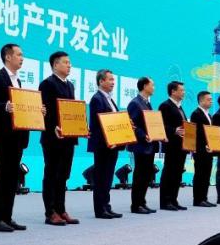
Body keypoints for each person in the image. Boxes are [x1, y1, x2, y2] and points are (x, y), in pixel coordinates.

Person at [0, 44, 44, 233]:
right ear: (8, 57)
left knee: (12, 178)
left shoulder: (18, 80)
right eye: (19, 54)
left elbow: (21, 107)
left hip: (18, 136)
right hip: (3, 135)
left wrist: (38, 111)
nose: (22, 58)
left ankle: (7, 217)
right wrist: (4, 106)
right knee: (2, 176)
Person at [39, 51, 79, 226]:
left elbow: (72, 111)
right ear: (55, 65)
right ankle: (50, 212)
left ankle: (61, 209)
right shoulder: (47, 84)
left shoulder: (70, 86)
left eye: (70, 62)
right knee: (52, 174)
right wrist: (53, 126)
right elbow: (43, 111)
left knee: (64, 175)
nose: (69, 65)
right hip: (52, 137)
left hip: (68, 137)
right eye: (66, 62)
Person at [87, 69, 124, 219]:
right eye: (110, 79)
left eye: (113, 80)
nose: (113, 82)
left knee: (108, 177)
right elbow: (99, 124)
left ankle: (106, 206)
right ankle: (100, 209)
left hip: (113, 144)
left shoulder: (109, 99)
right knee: (101, 177)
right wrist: (109, 140)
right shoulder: (97, 99)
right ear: (101, 81)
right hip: (103, 145)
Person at [127, 77, 159, 214]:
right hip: (140, 145)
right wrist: (143, 135)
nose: (154, 87)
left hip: (149, 145)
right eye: (152, 85)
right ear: (145, 86)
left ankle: (142, 202)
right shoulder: (135, 103)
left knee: (146, 174)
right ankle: (136, 205)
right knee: (140, 175)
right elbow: (132, 125)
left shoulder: (147, 103)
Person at [158, 81, 188, 211]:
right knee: (169, 173)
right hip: (171, 145)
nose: (183, 92)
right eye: (181, 90)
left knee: (178, 173)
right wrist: (174, 130)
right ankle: (165, 201)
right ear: (173, 91)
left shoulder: (180, 107)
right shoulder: (165, 106)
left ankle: (173, 199)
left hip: (181, 146)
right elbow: (161, 125)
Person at [190, 91, 216, 207]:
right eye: (208, 99)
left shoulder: (209, 115)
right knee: (200, 174)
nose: (211, 101)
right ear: (201, 101)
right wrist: (203, 145)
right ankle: (198, 199)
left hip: (209, 149)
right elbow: (196, 133)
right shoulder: (196, 114)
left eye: (211, 99)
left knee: (206, 174)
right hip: (200, 149)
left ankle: (204, 198)